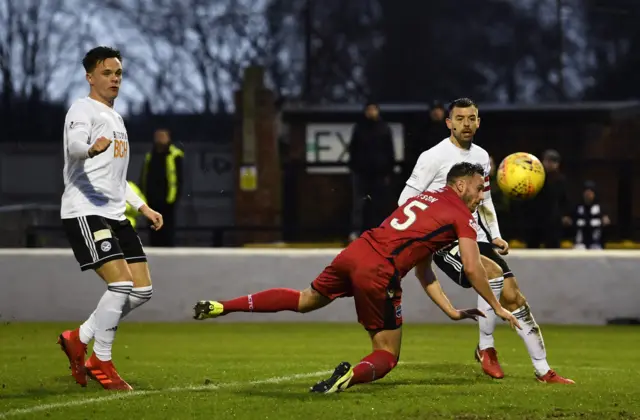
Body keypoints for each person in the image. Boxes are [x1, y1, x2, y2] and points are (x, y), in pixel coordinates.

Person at [194, 163, 521, 394]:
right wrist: (498, 307)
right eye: (480, 189)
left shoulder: (425, 200)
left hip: (357, 251)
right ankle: (348, 378)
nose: (481, 196)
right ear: (461, 185)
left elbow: (423, 269)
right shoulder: (461, 215)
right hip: (379, 270)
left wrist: (450, 310)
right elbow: (474, 267)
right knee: (388, 355)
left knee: (304, 300)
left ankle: (224, 306)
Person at [398, 98, 574, 384]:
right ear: (449, 123)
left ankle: (543, 370)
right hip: (444, 239)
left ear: (478, 122)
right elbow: (405, 200)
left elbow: (486, 198)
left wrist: (494, 234)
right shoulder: (432, 157)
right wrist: (425, 231)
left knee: (513, 294)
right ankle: (487, 347)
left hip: (474, 234)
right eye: (460, 118)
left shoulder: (481, 156)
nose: (466, 124)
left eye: (471, 118)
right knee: (489, 273)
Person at [58, 46, 164, 391]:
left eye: (118, 73)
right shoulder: (82, 109)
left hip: (116, 213)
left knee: (142, 290)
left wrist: (143, 207)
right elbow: (75, 146)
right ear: (90, 77)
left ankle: (81, 336)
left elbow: (118, 180)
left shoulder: (117, 119)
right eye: (107, 73)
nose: (114, 78)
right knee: (120, 285)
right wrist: (89, 149)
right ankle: (100, 358)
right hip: (85, 211)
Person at [347, 101, 396, 241]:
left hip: (379, 172)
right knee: (358, 203)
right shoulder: (359, 128)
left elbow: (389, 151)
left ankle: (379, 230)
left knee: (379, 203)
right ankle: (356, 231)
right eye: (369, 109)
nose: (371, 112)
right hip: (361, 172)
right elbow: (353, 149)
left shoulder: (384, 128)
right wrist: (354, 168)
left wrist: (388, 171)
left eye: (373, 109)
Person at [140, 128, 184, 247]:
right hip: (151, 199)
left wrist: (173, 198)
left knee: (167, 229)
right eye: (157, 136)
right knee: (153, 229)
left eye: (162, 136)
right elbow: (144, 176)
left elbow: (178, 179)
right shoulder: (150, 155)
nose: (160, 139)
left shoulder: (175, 155)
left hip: (168, 199)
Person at [524, 149, 569, 248]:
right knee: (532, 245)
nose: (549, 164)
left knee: (552, 246)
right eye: (546, 161)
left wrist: (565, 214)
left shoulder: (560, 180)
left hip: (552, 218)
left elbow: (564, 199)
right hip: (535, 217)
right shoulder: (536, 176)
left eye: (552, 161)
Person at [564, 181, 610, 249]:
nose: (588, 194)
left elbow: (607, 221)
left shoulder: (601, 208)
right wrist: (567, 221)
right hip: (579, 243)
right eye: (586, 191)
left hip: (596, 243)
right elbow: (566, 220)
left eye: (591, 191)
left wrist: (605, 221)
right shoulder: (576, 207)